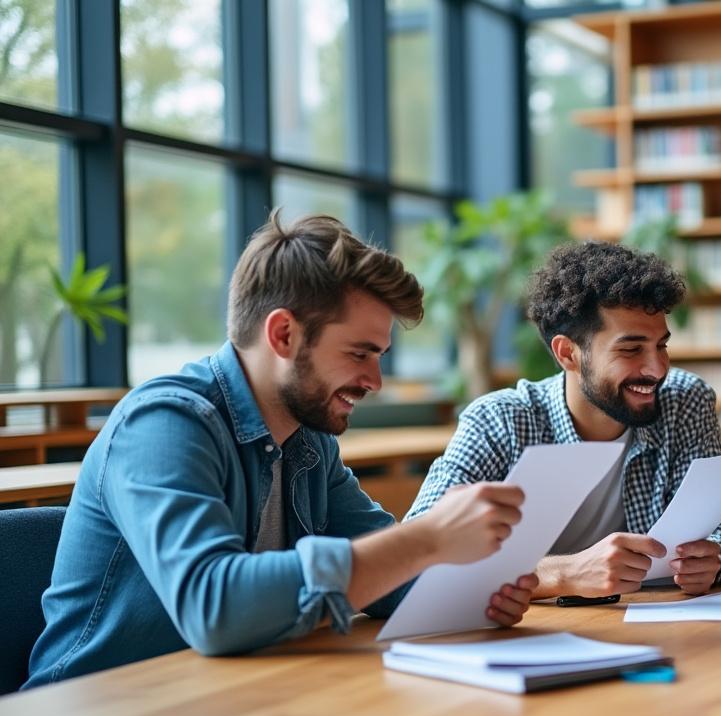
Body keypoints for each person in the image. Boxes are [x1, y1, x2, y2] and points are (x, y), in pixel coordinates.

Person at [26, 212, 536, 689]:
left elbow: (387, 579)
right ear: (284, 334)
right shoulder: (163, 424)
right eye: (359, 353)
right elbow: (215, 608)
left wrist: (470, 590)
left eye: (378, 356)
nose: (375, 380)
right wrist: (427, 540)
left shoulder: (308, 438)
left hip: (225, 698)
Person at [406, 240, 721, 599]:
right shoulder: (499, 422)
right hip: (528, 636)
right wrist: (560, 574)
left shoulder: (685, 402)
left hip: (657, 625)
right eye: (631, 349)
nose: (657, 369)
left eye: (662, 346)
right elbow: (417, 554)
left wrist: (714, 559)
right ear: (568, 354)